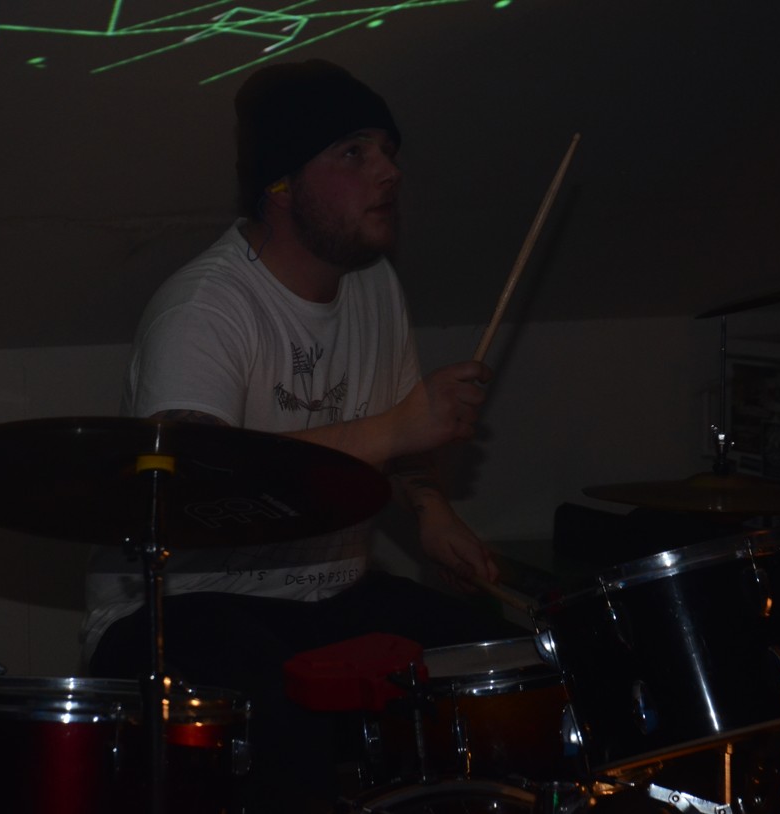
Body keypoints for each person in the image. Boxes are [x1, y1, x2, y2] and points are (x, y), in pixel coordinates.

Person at [82, 59, 524, 812]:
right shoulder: (204, 310)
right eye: (353, 152)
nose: (388, 171)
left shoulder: (374, 282)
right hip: (179, 608)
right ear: (280, 185)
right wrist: (395, 427)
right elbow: (198, 482)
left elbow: (400, 447)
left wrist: (430, 510)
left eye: (387, 150)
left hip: (328, 594)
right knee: (285, 731)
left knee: (502, 669)